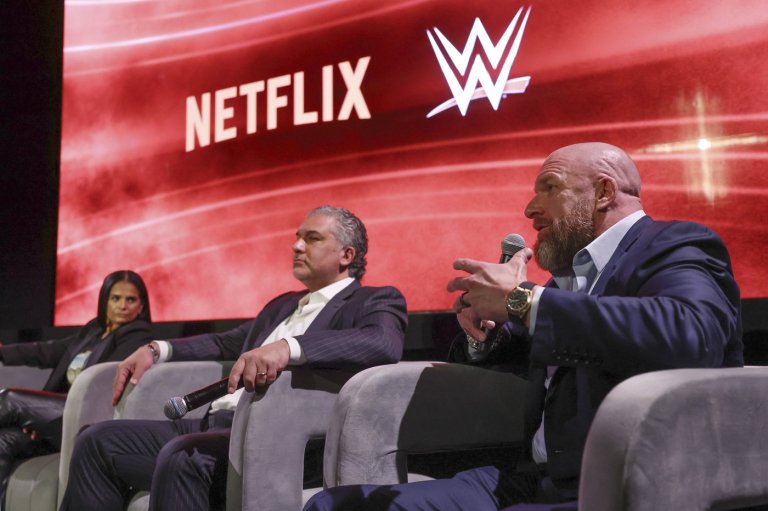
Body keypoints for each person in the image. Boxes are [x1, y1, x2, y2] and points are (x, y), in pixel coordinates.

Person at [303, 142, 743, 511]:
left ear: (604, 192)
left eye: (549, 188)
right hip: (537, 481)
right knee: (334, 506)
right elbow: (560, 346)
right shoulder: (569, 281)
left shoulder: (674, 244)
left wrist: (525, 301)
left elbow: (693, 334)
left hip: (629, 488)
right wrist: (488, 333)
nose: (531, 208)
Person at [59, 205, 408, 511]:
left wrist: (288, 347)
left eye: (312, 239)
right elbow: (225, 342)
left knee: (185, 457)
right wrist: (156, 349)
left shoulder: (374, 300)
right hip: (214, 423)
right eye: (298, 237)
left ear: (346, 255)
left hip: (272, 438)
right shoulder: (282, 305)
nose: (297, 246)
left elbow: (381, 342)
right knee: (95, 440)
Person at [0, 270, 152, 509]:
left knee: (10, 399)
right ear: (105, 301)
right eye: (116, 298)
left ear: (141, 306)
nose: (123, 306)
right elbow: (48, 351)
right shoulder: (93, 331)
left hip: (87, 416)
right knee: (5, 440)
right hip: (56, 414)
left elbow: (103, 382)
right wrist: (3, 352)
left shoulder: (137, 335)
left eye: (130, 299)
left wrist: (37, 416)